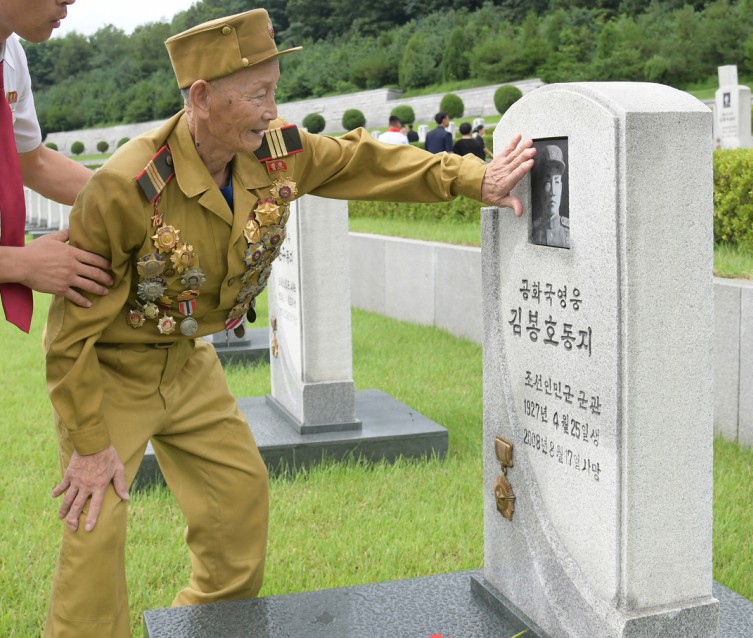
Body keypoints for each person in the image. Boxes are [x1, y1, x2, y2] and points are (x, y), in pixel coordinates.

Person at [41, 9, 534, 637]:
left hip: (190, 362)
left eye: (274, 90)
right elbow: (70, 335)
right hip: (111, 371)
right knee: (95, 525)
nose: (273, 109)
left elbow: (362, 162)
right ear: (201, 97)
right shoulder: (127, 187)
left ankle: (205, 629)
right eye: (258, 95)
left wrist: (473, 176)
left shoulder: (277, 155)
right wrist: (88, 445)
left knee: (238, 502)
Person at [0, 0, 113, 332]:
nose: (69, 0)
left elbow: (32, 162)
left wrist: (129, 196)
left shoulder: (12, 56)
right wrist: (16, 264)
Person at [531, 143, 568, 249]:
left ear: (561, 188)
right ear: (540, 188)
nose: (553, 192)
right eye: (547, 182)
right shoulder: (533, 230)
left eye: (556, 182)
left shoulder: (569, 231)